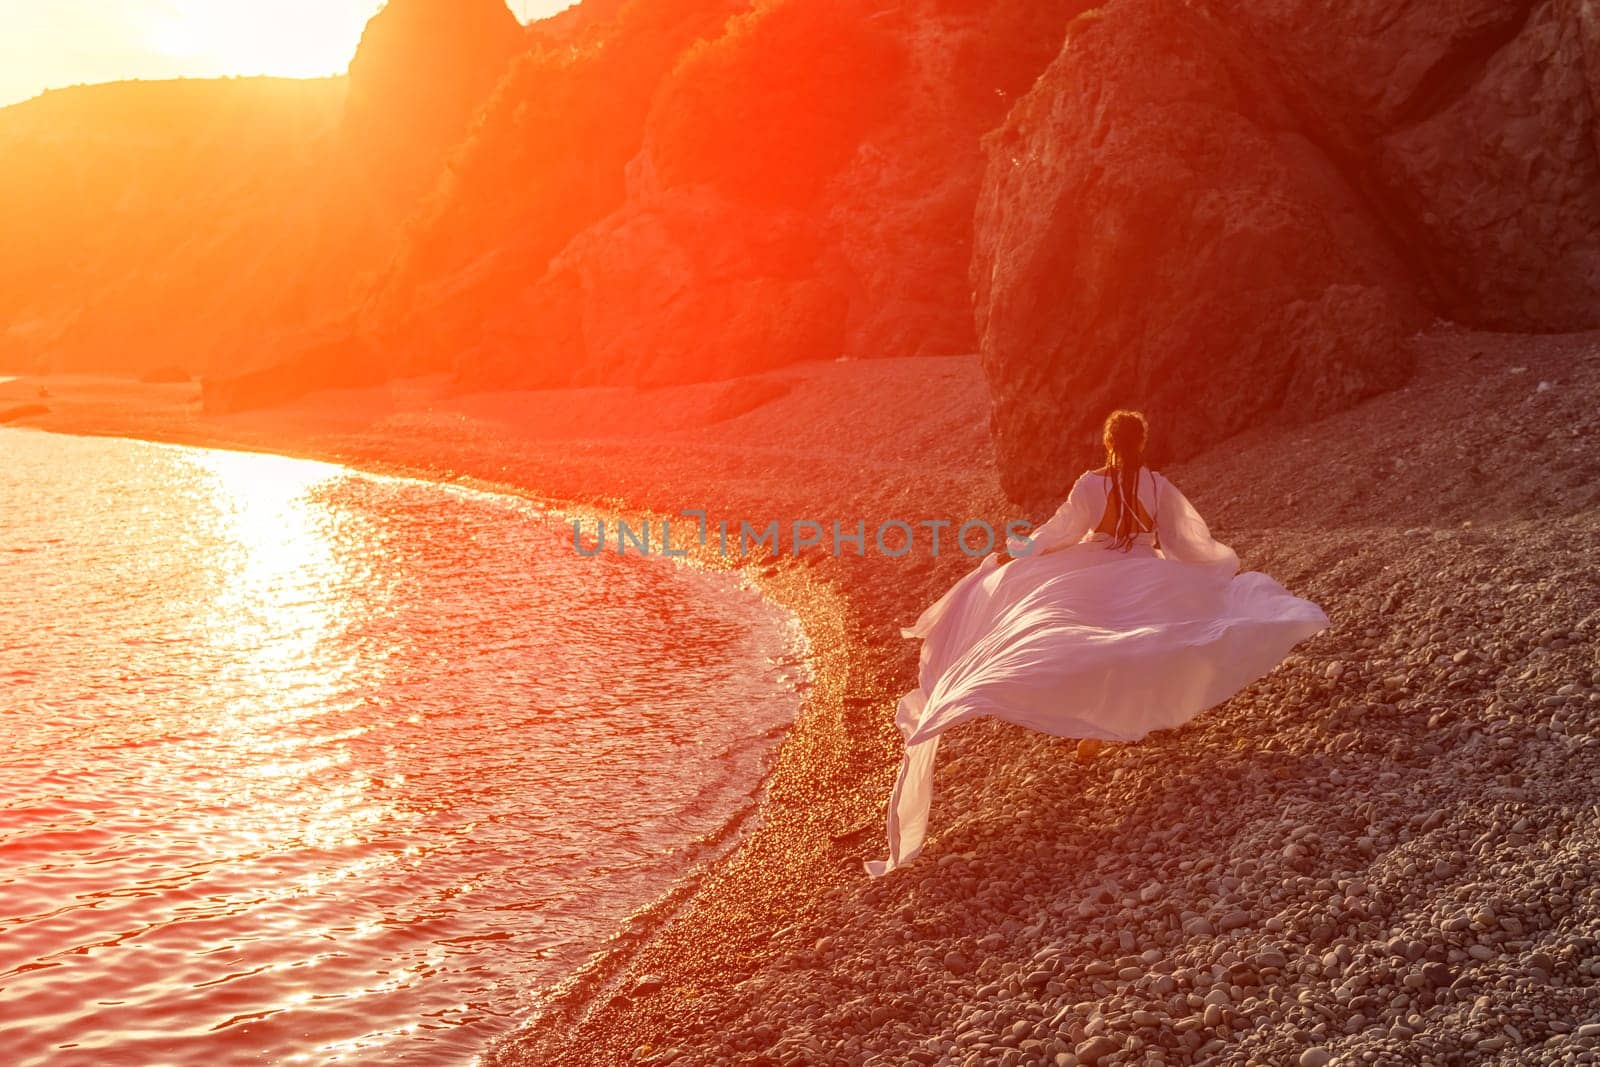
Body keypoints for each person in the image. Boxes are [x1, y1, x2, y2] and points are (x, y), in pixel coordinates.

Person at [863, 409, 1329, 877]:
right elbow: (1185, 543)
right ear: (1141, 443)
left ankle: (1097, 725)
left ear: (1107, 442)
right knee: (1145, 643)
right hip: (1147, 572)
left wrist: (1015, 552)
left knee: (1090, 643)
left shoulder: (1090, 485)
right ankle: (1131, 719)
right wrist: (1207, 572)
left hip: (1091, 571)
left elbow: (1059, 533)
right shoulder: (1157, 486)